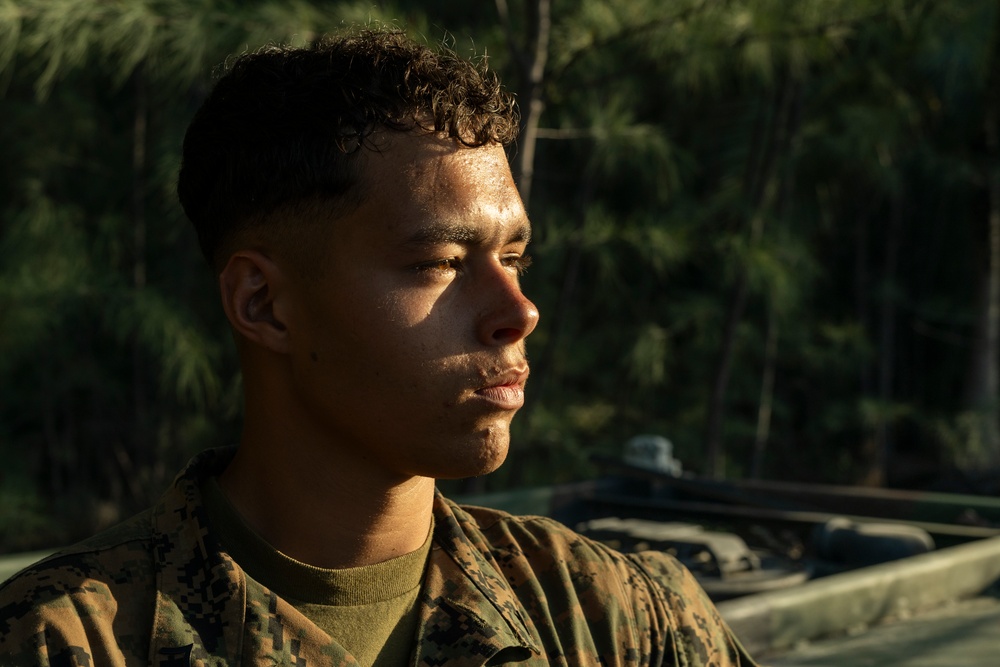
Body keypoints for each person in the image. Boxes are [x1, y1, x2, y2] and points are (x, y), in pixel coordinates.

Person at [0, 27, 758, 666]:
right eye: (440, 264)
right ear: (264, 303)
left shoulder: (614, 617)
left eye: (515, 258)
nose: (518, 311)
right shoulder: (65, 641)